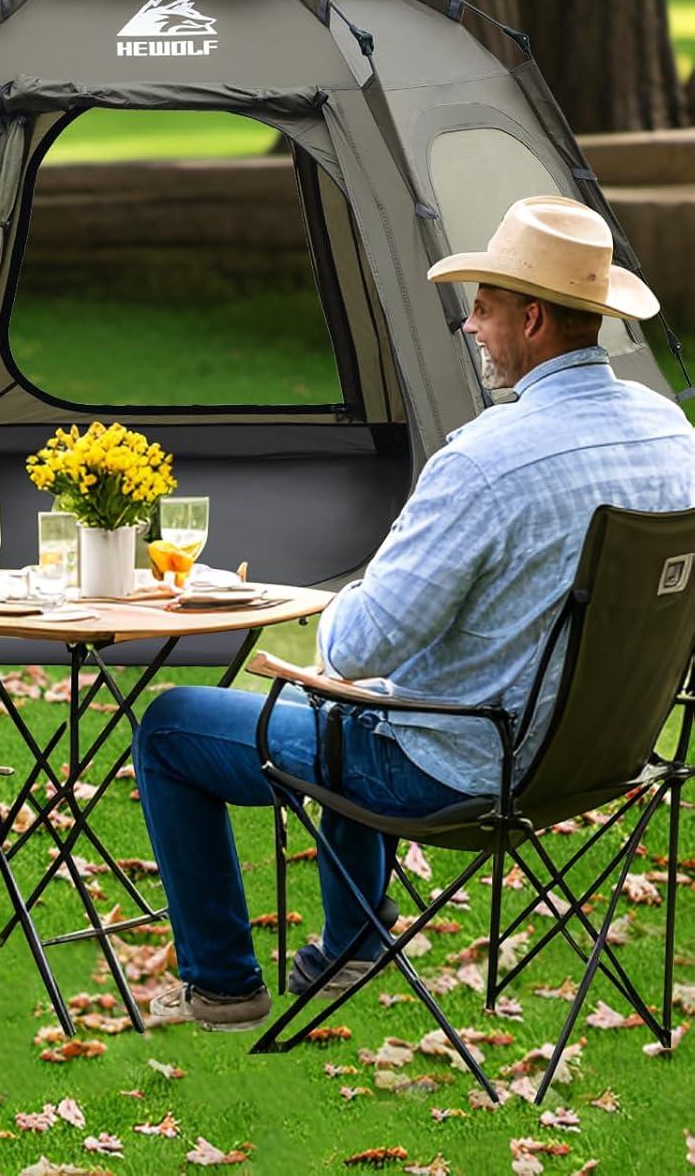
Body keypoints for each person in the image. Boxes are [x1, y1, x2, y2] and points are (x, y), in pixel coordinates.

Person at [133, 195, 695, 1032]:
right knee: (352, 701)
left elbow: (360, 643)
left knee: (174, 725)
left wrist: (347, 603)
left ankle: (222, 985)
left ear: (533, 319)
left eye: (485, 305)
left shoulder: (485, 461)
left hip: (463, 771)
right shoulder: (672, 433)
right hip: (603, 755)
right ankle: (352, 944)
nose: (470, 326)